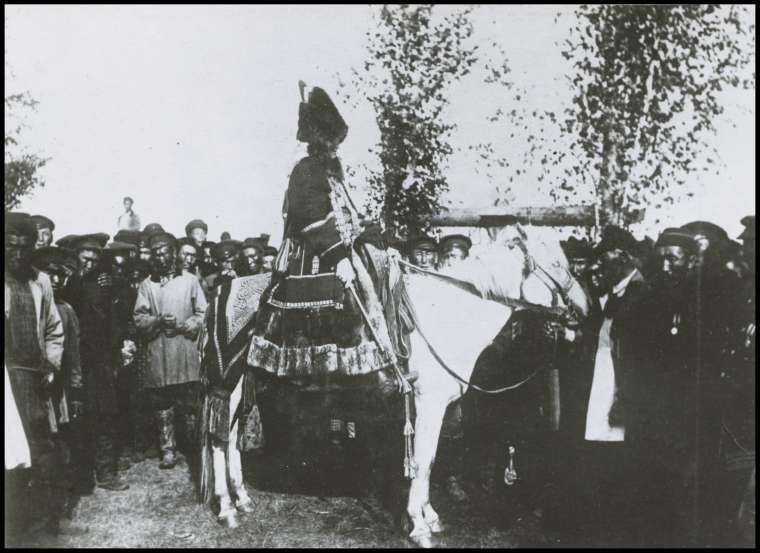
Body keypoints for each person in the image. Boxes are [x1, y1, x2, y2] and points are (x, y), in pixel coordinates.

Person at [625, 227, 729, 546]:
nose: (667, 267)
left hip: (694, 407)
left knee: (690, 482)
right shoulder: (649, 296)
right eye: (662, 260)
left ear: (692, 261)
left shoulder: (710, 297)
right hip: (656, 406)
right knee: (654, 482)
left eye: (673, 260)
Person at [555, 225, 650, 545]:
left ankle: (615, 524)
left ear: (622, 257)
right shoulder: (615, 291)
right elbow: (600, 331)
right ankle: (598, 521)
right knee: (599, 446)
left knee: (618, 449)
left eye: (606, 257)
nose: (600, 264)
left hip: (620, 382)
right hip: (602, 377)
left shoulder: (639, 292)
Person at [5, 212, 68, 538]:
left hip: (34, 382)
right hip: (5, 384)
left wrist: (52, 366)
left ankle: (45, 526)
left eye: (24, 247)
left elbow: (55, 330)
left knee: (42, 452)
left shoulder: (40, 281)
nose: (17, 254)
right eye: (10, 246)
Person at [133, 231, 208, 469]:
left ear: (174, 253)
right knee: (162, 402)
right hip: (159, 350)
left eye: (164, 251)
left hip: (185, 348)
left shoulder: (189, 281)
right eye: (155, 253)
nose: (160, 256)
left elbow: (204, 312)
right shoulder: (147, 285)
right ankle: (168, 450)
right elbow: (138, 317)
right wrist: (156, 320)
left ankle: (193, 446)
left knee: (189, 400)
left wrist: (190, 324)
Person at [63, 233, 129, 492]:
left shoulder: (105, 283)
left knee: (104, 414)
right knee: (76, 417)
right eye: (84, 257)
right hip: (73, 359)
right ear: (76, 257)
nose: (88, 262)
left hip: (99, 359)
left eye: (93, 258)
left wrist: (112, 354)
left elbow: (115, 318)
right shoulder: (67, 283)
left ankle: (105, 472)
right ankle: (80, 474)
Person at [30, 246, 89, 526]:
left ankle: (58, 509)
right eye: (50, 274)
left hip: (58, 391)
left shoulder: (66, 311)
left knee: (59, 446)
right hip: (28, 387)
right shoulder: (28, 301)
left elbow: (74, 356)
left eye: (61, 275)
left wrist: (75, 391)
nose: (56, 280)